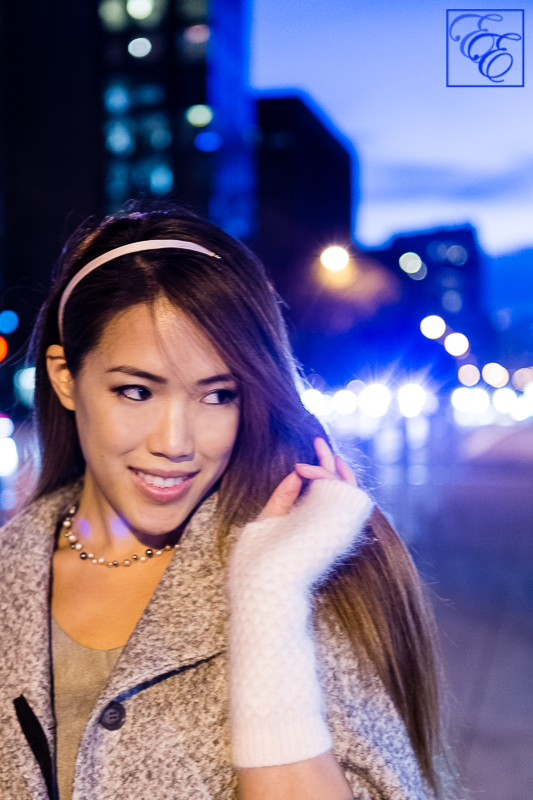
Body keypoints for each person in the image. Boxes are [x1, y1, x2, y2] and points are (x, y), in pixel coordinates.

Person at [0, 204, 455, 800]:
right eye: (136, 391)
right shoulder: (11, 569)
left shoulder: (312, 577)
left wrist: (269, 600)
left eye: (217, 396)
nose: (174, 443)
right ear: (63, 377)